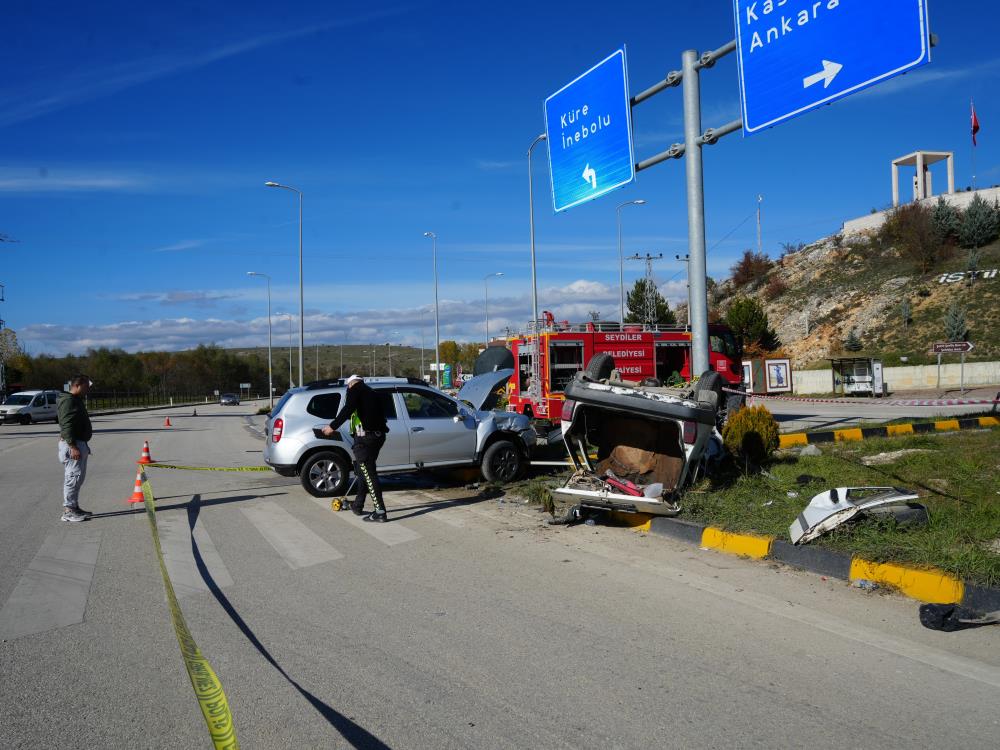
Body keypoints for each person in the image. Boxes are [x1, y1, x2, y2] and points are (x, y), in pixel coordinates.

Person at [322, 375, 390, 522]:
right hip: (378, 437)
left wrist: (332, 426)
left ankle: (380, 511)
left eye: (348, 387)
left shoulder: (355, 390)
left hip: (365, 439)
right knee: (363, 472)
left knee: (369, 474)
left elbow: (347, 408)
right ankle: (358, 505)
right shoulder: (372, 392)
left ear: (350, 384)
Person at [57, 375, 94, 522]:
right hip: (73, 445)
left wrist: (83, 445)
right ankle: (69, 511)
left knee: (78, 478)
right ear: (77, 385)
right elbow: (66, 425)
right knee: (73, 478)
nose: (87, 390)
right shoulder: (68, 401)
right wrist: (73, 446)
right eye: (86, 386)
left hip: (78, 443)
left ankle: (74, 507)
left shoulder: (75, 400)